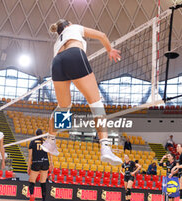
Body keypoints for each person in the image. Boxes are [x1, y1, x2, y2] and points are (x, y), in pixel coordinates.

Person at [41, 19, 122, 166]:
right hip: (74, 54)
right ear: (69, 24)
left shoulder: (57, 42)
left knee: (64, 106)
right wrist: (110, 49)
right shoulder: (75, 28)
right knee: (96, 103)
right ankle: (105, 146)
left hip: (57, 62)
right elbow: (102, 35)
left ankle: (50, 140)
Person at [28, 129, 53, 201]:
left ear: (36, 134)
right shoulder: (46, 142)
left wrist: (29, 166)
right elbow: (50, 154)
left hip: (36, 162)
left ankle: (32, 194)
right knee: (43, 182)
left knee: (32, 181)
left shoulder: (32, 142)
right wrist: (51, 163)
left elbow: (30, 156)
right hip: (45, 162)